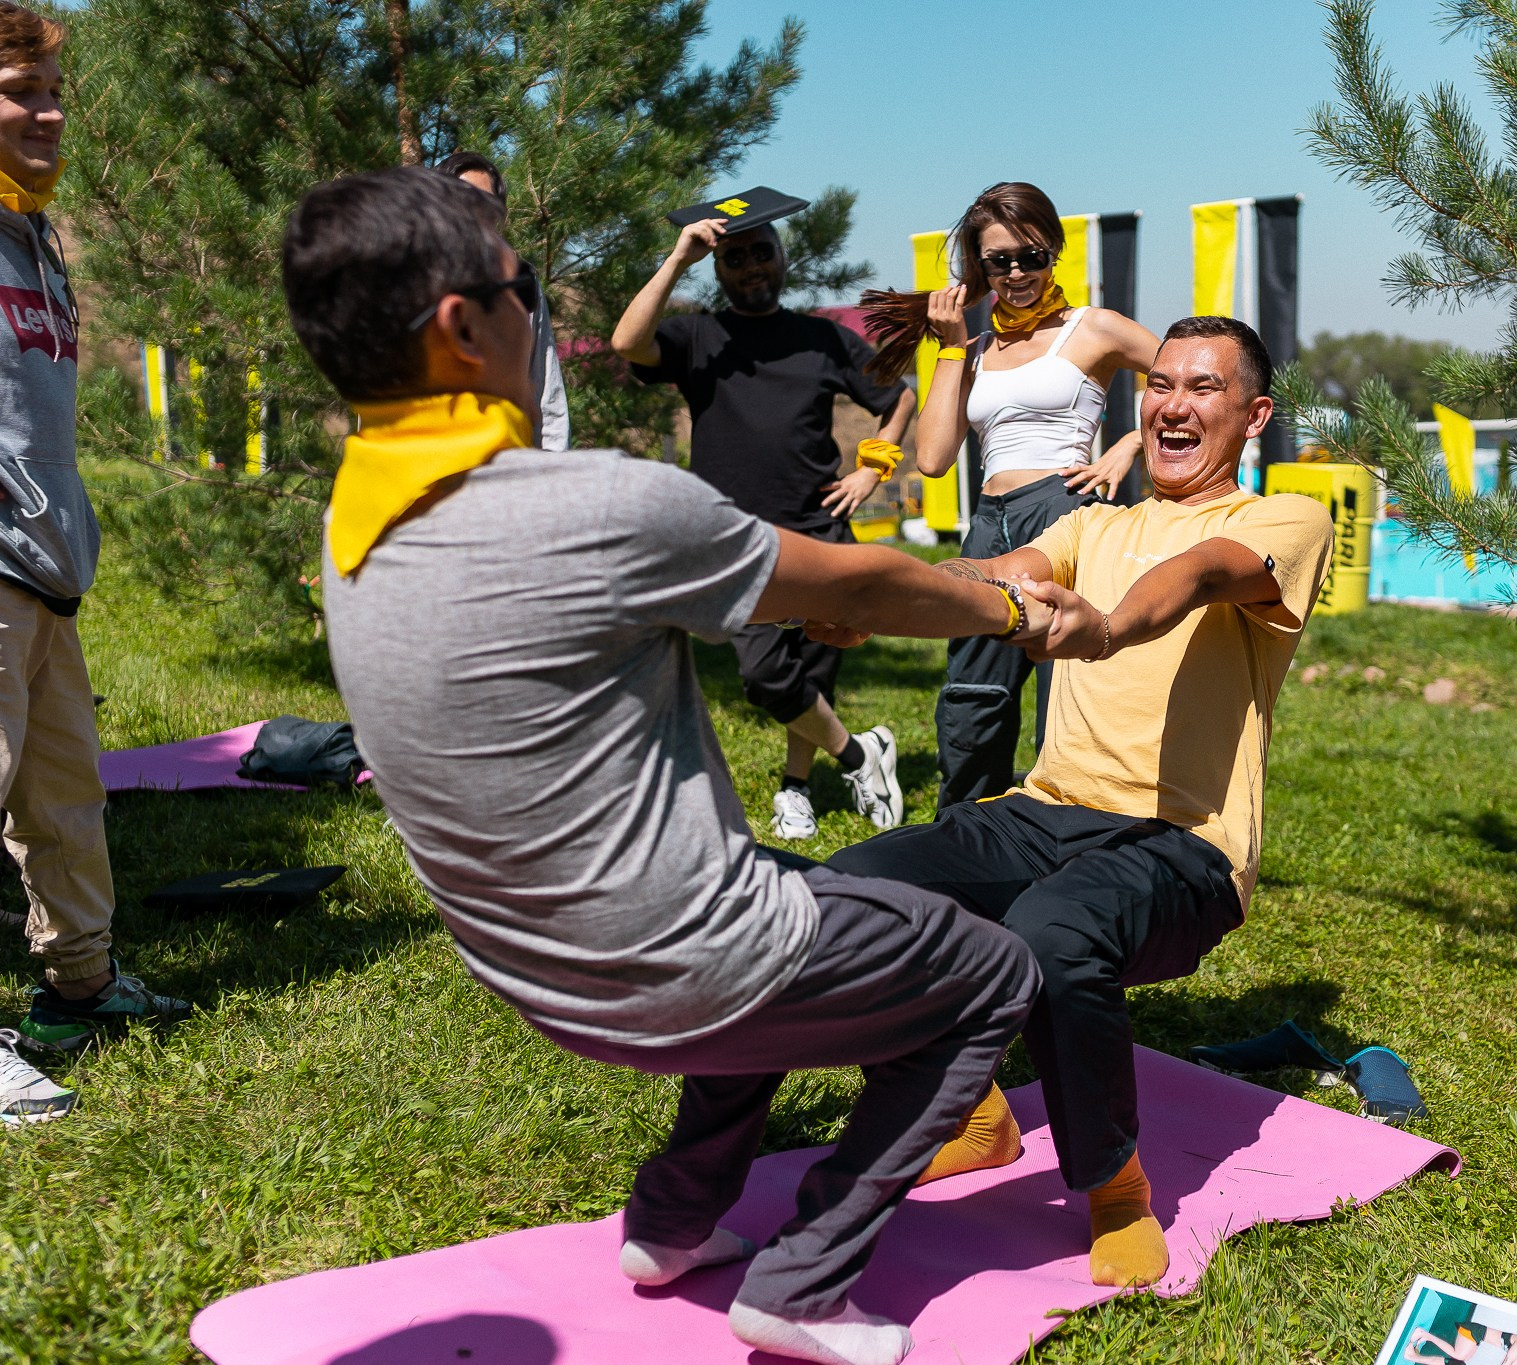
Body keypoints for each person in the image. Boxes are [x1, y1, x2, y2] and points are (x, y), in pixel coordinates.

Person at [283, 164, 1050, 1365]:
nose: (532, 313)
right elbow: (855, 582)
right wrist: (1016, 613)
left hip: (532, 979)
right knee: (988, 975)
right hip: (676, 974)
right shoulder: (596, 506)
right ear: (459, 325)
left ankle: (674, 1222)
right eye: (516, 287)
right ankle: (803, 1278)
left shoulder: (355, 524)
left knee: (798, 888)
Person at [830, 316, 1332, 1288]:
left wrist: (1105, 628)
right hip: (1046, 811)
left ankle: (1113, 1189)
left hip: (1184, 846)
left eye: (1201, 388)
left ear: (1252, 415)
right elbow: (987, 575)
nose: (1171, 405)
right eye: (1158, 385)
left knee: (1049, 934)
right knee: (856, 887)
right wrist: (875, 597)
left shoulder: (1284, 521)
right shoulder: (1090, 523)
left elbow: (1197, 575)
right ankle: (971, 1113)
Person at [0, 0, 187, 1126]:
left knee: (66, 803)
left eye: (51, 91)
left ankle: (80, 985)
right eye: (18, 92)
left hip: (41, 563)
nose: (48, 113)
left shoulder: (23, 225)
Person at [612, 207, 914, 841]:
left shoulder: (822, 337)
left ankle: (796, 789)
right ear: (719, 267)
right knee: (763, 675)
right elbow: (626, 343)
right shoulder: (699, 339)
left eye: (762, 253)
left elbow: (898, 396)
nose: (751, 266)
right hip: (738, 542)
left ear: (782, 258)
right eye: (736, 257)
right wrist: (677, 259)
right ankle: (862, 756)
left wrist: (872, 470)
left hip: (820, 529)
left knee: (813, 668)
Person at [861, 182, 1159, 808]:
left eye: (1033, 255)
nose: (1018, 272)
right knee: (972, 704)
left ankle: (1067, 844)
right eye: (1001, 261)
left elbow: (1189, 383)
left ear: (1055, 250)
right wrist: (950, 347)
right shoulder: (976, 348)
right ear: (981, 265)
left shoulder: (1093, 327)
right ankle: (963, 842)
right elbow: (935, 459)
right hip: (989, 525)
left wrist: (1128, 445)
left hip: (1066, 513)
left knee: (1068, 701)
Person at [436, 150, 570, 451]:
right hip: (432, 470)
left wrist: (551, 467)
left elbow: (545, 386)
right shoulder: (410, 286)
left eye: (487, 205)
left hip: (510, 465)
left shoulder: (520, 285)